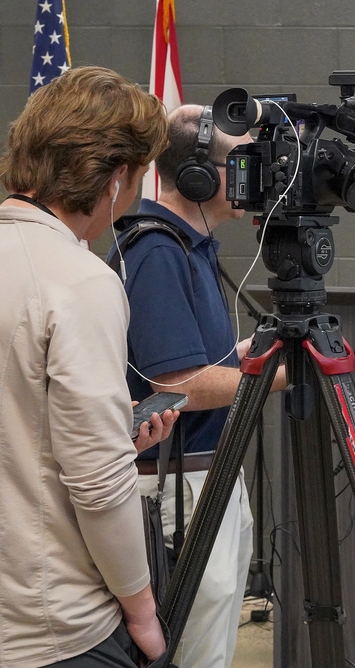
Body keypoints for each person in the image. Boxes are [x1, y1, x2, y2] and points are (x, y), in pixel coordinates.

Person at [0, 66, 178, 667]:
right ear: (116, 179)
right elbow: (99, 485)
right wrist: (142, 611)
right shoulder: (78, 281)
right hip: (55, 626)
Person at [109, 104, 284, 667]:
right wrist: (276, 377)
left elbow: (194, 362)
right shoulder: (158, 248)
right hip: (179, 487)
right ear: (197, 176)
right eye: (240, 164)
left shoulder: (191, 246)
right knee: (196, 649)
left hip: (208, 476)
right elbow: (178, 382)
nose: (252, 178)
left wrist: (245, 356)